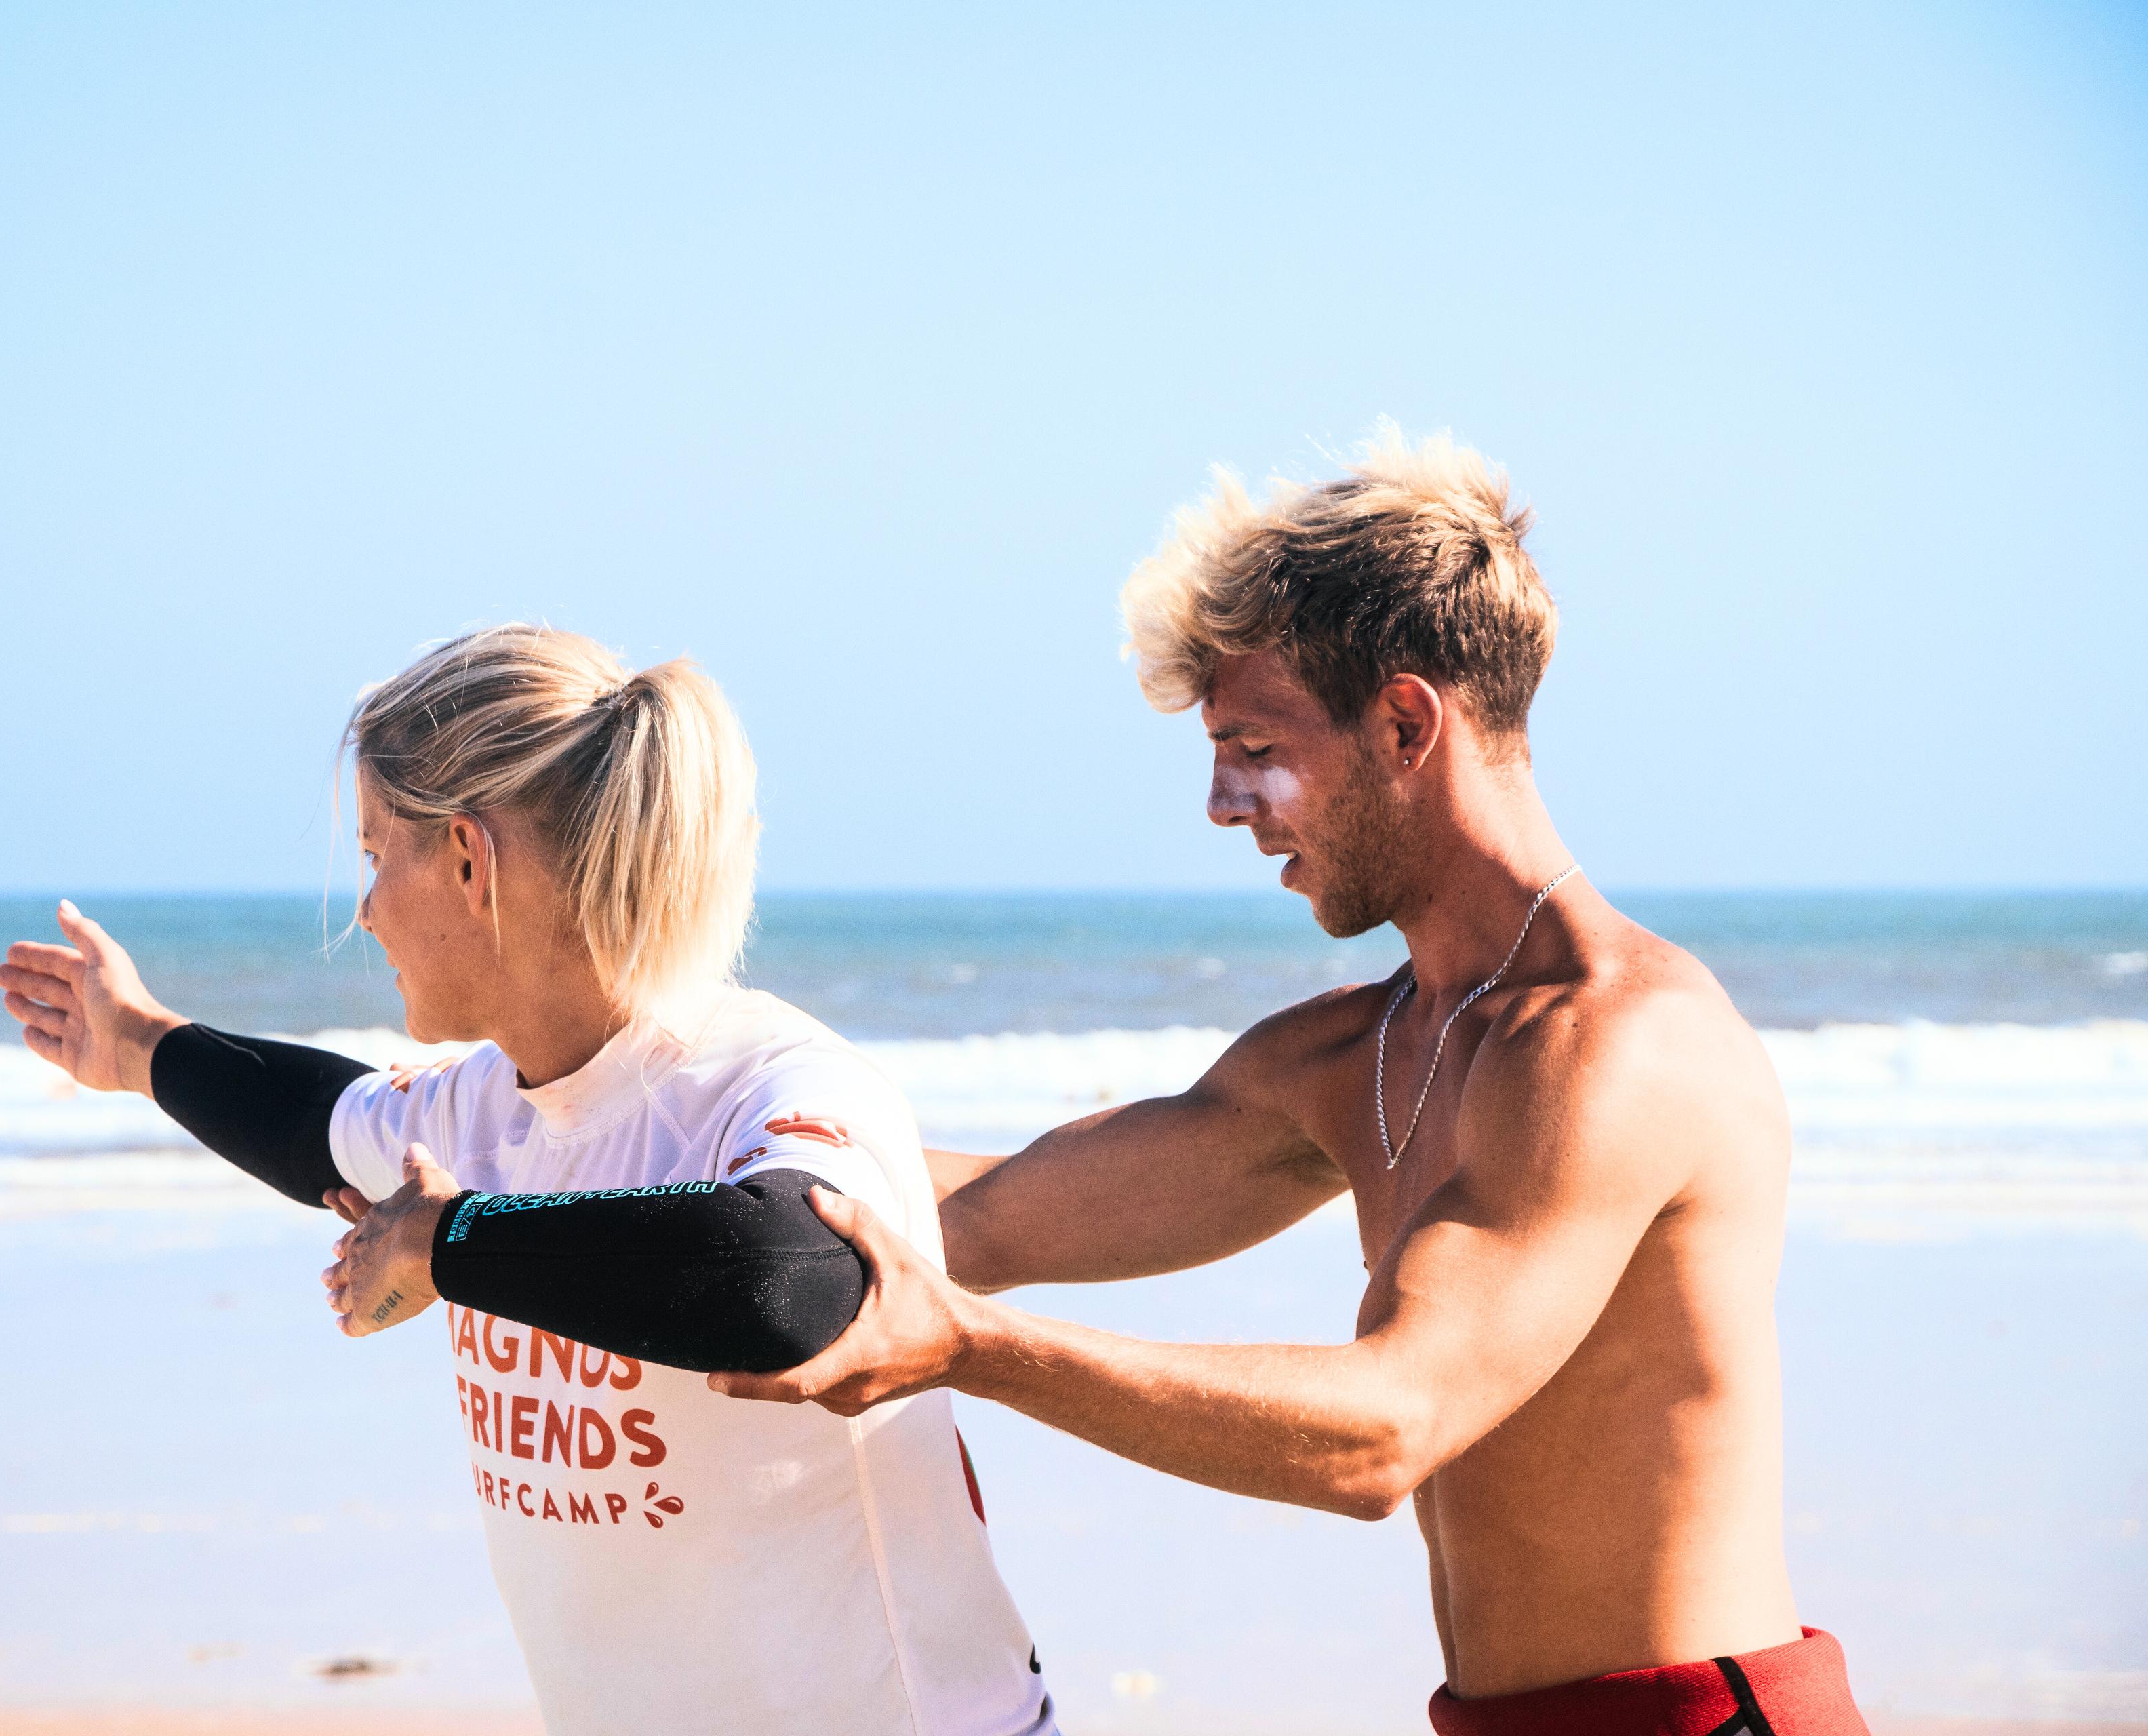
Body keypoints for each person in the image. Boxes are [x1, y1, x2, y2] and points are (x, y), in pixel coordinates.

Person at [713, 433, 1871, 1735]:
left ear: (1404, 723)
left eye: (1253, 744)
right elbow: (970, 1217)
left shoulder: (1620, 1043)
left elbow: (1388, 1425)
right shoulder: (1349, 1057)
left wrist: (973, 1352)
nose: (1221, 804)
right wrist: (576, 1149)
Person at [0, 625, 1056, 1736]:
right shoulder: (481, 1106)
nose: (365, 911)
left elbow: (794, 1279)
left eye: (375, 856)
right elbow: (316, 1121)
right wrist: (139, 1046)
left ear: (467, 858)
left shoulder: (767, 1083)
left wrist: (447, 1244)